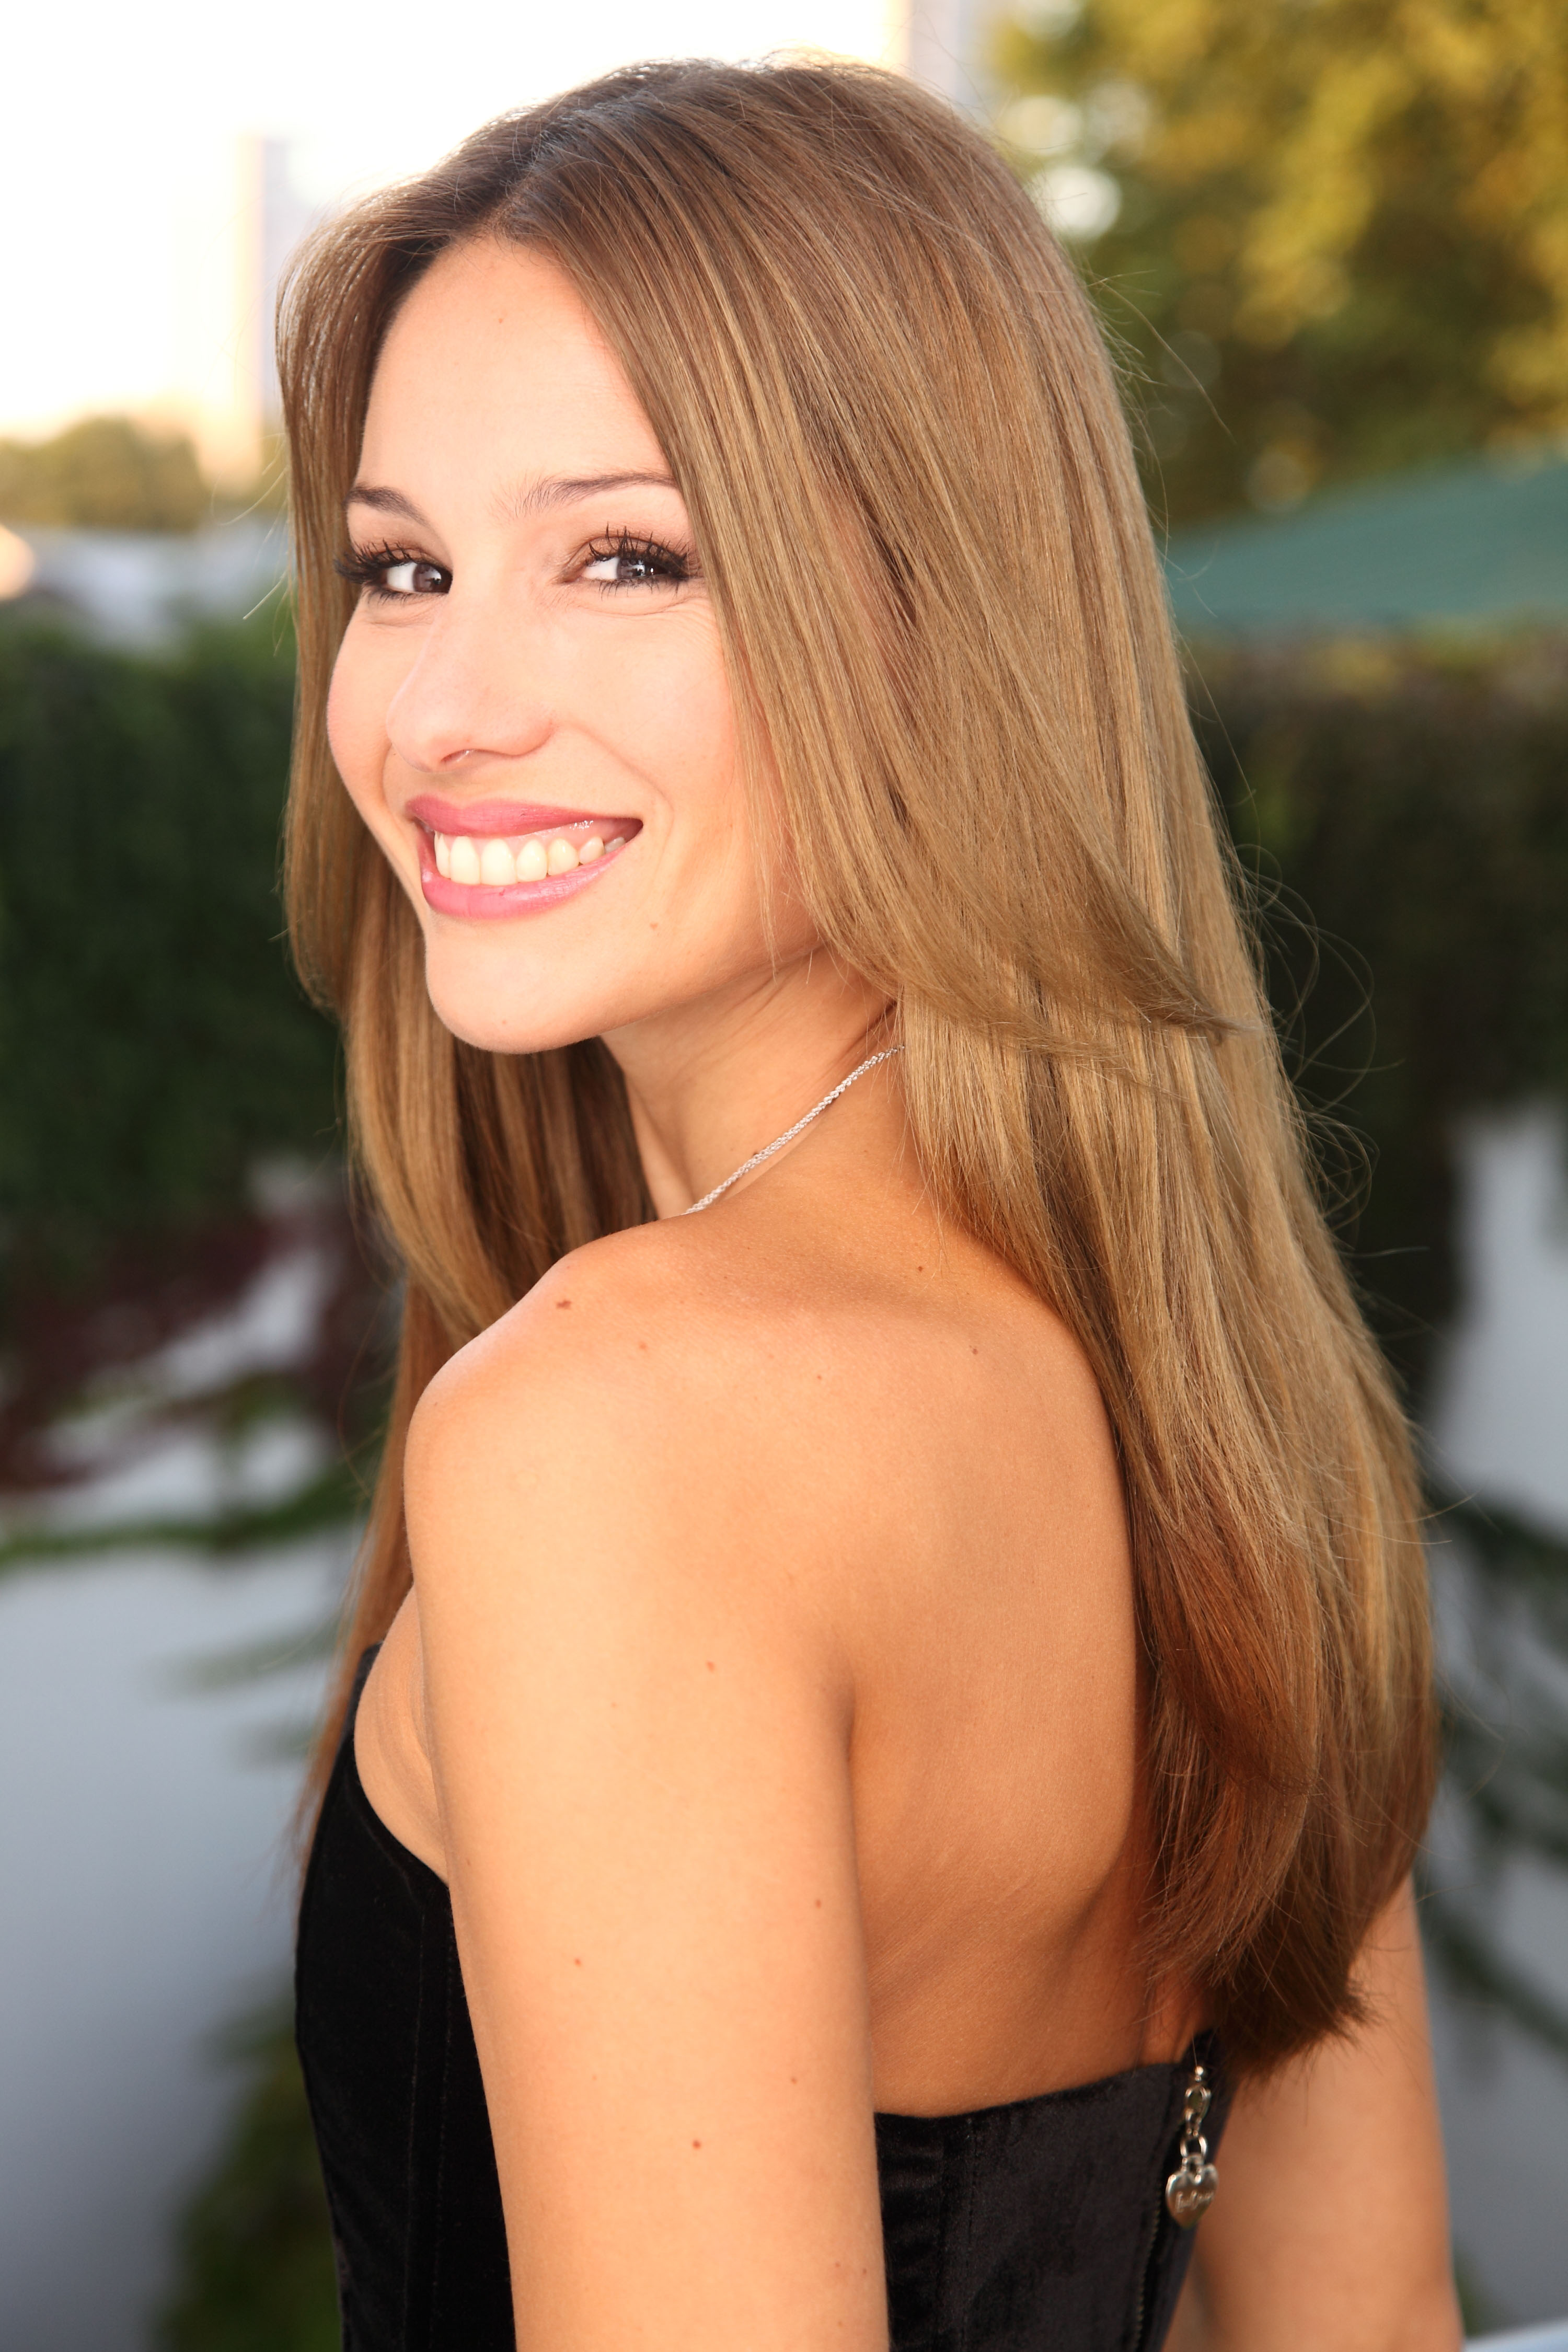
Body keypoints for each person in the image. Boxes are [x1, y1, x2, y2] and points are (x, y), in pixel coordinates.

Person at [285, 58, 1460, 2352]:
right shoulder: (1231, 1412)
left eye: (628, 557)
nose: (438, 710)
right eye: (401, 567)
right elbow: (1373, 2322)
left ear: (941, 620)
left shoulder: (613, 1434)